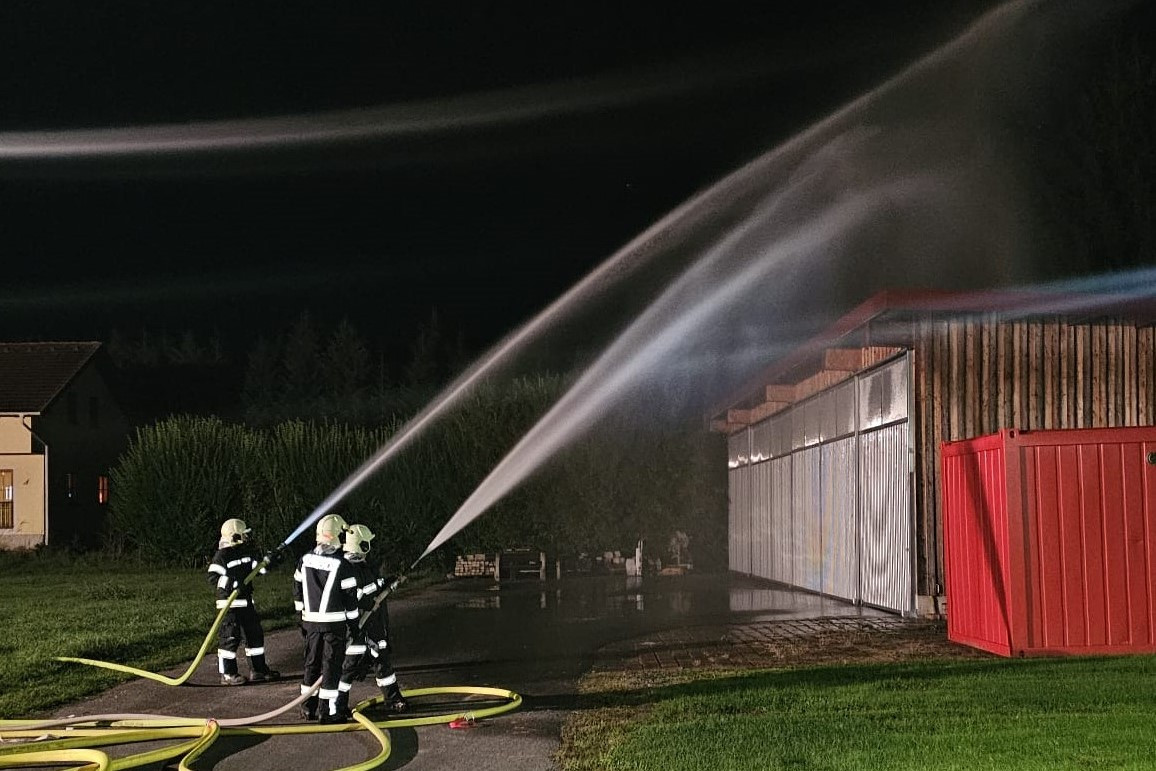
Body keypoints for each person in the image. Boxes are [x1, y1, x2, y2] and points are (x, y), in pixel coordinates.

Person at [334, 524, 408, 717]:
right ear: (362, 545)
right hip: (356, 626)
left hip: (372, 624)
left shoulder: (363, 565)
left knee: (382, 661)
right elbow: (354, 596)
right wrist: (372, 598)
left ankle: (393, 699)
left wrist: (388, 582)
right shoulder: (345, 568)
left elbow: (372, 585)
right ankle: (337, 706)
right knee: (348, 667)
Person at [294, 513, 360, 723]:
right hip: (334, 626)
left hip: (311, 624)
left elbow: (297, 590)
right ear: (337, 536)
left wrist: (301, 618)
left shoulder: (304, 560)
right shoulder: (343, 565)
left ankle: (307, 707)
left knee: (311, 664)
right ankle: (328, 712)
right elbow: (350, 600)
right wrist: (354, 625)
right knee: (331, 667)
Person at [207, 518, 280, 685]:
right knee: (230, 638)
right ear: (234, 536)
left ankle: (259, 670)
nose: (246, 537)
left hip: (246, 602)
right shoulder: (221, 556)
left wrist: (270, 562)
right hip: (229, 606)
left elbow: (257, 569)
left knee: (255, 636)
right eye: (243, 534)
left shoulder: (245, 553)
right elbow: (212, 577)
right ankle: (228, 674)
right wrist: (232, 583)